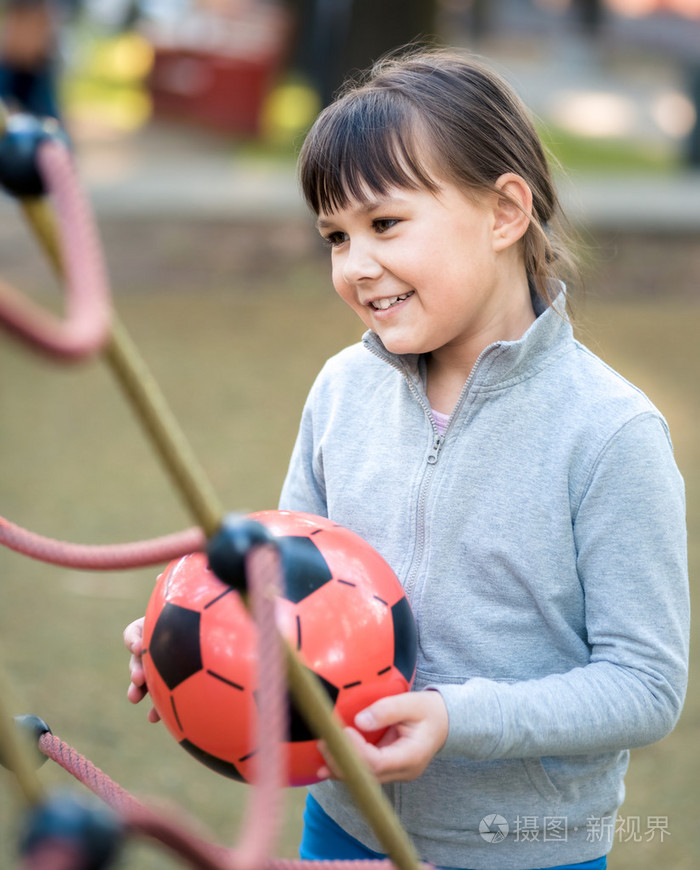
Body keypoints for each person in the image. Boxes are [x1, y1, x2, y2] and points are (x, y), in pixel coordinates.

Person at [124, 50, 690, 870]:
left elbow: (645, 684)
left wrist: (455, 719)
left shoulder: (610, 433)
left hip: (522, 850)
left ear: (503, 213)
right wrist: (194, 634)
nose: (356, 266)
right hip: (344, 826)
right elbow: (285, 589)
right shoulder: (341, 388)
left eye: (385, 225)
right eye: (335, 236)